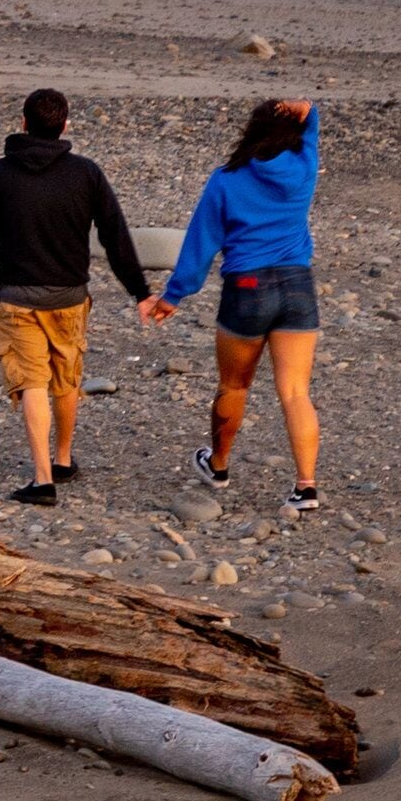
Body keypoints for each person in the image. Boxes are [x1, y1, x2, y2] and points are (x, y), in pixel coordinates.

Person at [139, 98, 327, 514]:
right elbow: (312, 120)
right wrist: (301, 109)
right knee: (296, 391)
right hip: (298, 284)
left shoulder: (225, 180)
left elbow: (201, 244)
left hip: (247, 287)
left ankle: (219, 465)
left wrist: (173, 295)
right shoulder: (302, 170)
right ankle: (306, 488)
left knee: (234, 385)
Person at [0, 87, 151, 507]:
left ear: (23, 123)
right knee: (66, 377)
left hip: (15, 297)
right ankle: (64, 459)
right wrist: (140, 292)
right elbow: (114, 235)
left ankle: (41, 480)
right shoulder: (86, 173)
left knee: (33, 383)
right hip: (69, 297)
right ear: (65, 125)